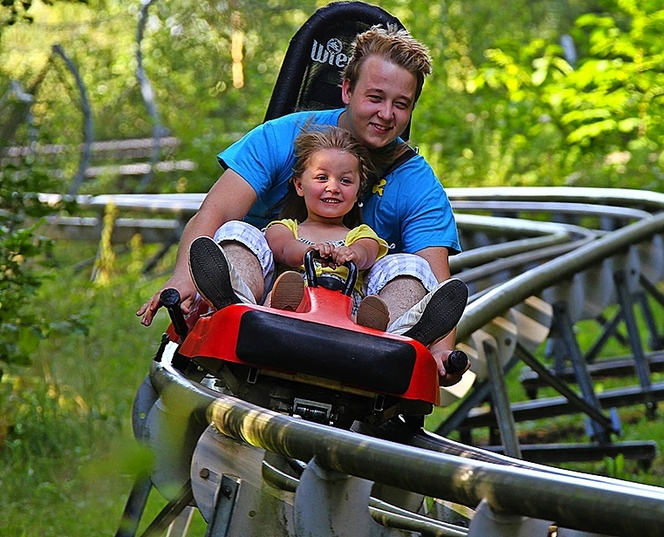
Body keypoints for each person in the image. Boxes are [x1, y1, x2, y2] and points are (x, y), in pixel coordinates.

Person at [138, 24, 466, 383]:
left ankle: (402, 334)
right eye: (375, 98)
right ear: (347, 90)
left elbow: (436, 279)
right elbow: (215, 212)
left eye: (400, 104)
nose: (386, 114)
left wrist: (441, 350)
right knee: (235, 232)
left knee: (410, 268)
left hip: (359, 317)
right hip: (270, 297)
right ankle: (235, 302)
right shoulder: (281, 137)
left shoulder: (418, 184)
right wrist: (183, 278)